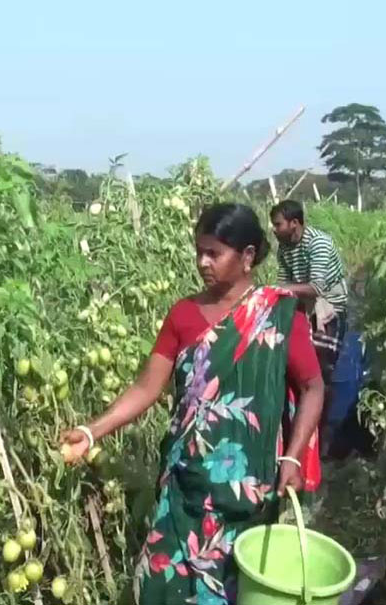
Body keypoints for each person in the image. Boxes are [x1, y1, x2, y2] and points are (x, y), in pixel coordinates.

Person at [60, 203, 324, 605]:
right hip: (185, 487)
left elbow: (312, 387)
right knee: (160, 587)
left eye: (213, 253)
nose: (202, 262)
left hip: (248, 494)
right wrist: (90, 431)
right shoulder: (183, 315)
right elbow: (146, 388)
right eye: (199, 251)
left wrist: (292, 457)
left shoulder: (278, 313)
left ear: (248, 256)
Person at [269, 200, 348, 454]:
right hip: (303, 304)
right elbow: (284, 282)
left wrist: (274, 290)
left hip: (329, 305)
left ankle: (323, 435)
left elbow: (316, 288)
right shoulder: (284, 247)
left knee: (321, 371)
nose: (274, 229)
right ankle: (303, 427)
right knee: (300, 367)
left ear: (294, 223)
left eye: (278, 224)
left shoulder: (318, 244)